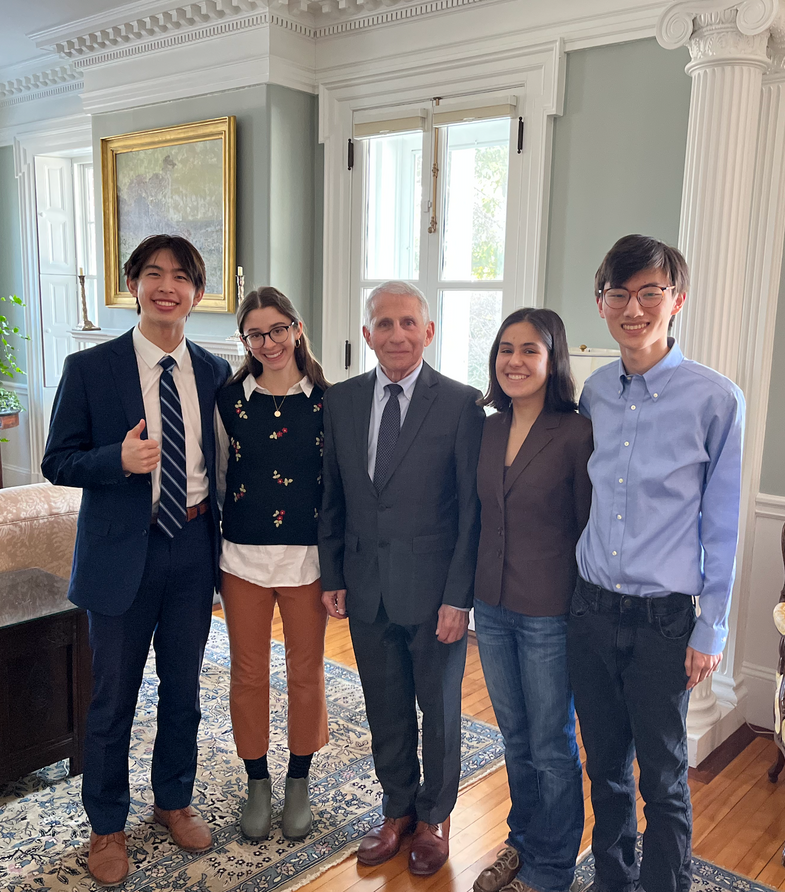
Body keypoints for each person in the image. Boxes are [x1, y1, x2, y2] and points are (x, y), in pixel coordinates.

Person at [41, 235, 231, 887]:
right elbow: (56, 461)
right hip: (122, 556)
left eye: (181, 277)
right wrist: (113, 462)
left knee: (183, 692)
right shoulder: (90, 369)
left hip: (193, 550)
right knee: (112, 699)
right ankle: (107, 827)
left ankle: (173, 801)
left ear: (197, 294)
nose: (166, 286)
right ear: (134, 285)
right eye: (153, 274)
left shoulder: (213, 370)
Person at [570, 234, 744, 892]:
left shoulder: (716, 399)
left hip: (664, 623)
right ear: (602, 303)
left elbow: (722, 526)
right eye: (620, 293)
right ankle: (614, 881)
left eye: (651, 293)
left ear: (678, 300)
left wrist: (712, 629)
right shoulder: (595, 395)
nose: (634, 308)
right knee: (605, 769)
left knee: (664, 778)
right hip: (589, 610)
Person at [318, 280, 484, 875]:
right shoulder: (340, 402)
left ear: (428, 331)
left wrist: (458, 598)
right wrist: (331, 573)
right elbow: (331, 498)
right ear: (367, 334)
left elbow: (471, 511)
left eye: (408, 323)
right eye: (383, 324)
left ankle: (435, 816)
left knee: (438, 710)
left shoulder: (463, 404)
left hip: (435, 592)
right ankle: (397, 810)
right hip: (365, 586)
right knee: (383, 706)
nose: (396, 334)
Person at [471, 308, 592, 892]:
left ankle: (553, 866)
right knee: (514, 737)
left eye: (529, 351)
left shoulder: (575, 432)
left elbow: (586, 526)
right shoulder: (487, 427)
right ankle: (521, 842)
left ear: (552, 360)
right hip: (490, 607)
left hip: (549, 610)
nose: (514, 361)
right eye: (505, 350)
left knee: (551, 743)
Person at [214, 286, 331, 842]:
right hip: (242, 558)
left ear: (297, 328)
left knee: (306, 674)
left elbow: (339, 486)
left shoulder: (328, 399)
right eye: (256, 334)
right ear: (245, 340)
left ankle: (299, 781)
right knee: (249, 673)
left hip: (307, 560)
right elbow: (211, 472)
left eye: (278, 329)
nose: (269, 342)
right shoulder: (228, 399)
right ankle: (256, 780)